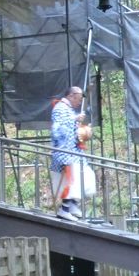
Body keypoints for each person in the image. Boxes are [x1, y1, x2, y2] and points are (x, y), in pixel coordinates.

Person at [51, 86, 89, 221]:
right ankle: (64, 208)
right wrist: (75, 119)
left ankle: (72, 204)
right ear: (72, 96)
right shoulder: (60, 108)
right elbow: (59, 127)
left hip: (72, 151)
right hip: (64, 151)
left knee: (81, 176)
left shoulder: (68, 109)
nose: (79, 103)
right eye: (78, 100)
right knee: (71, 179)